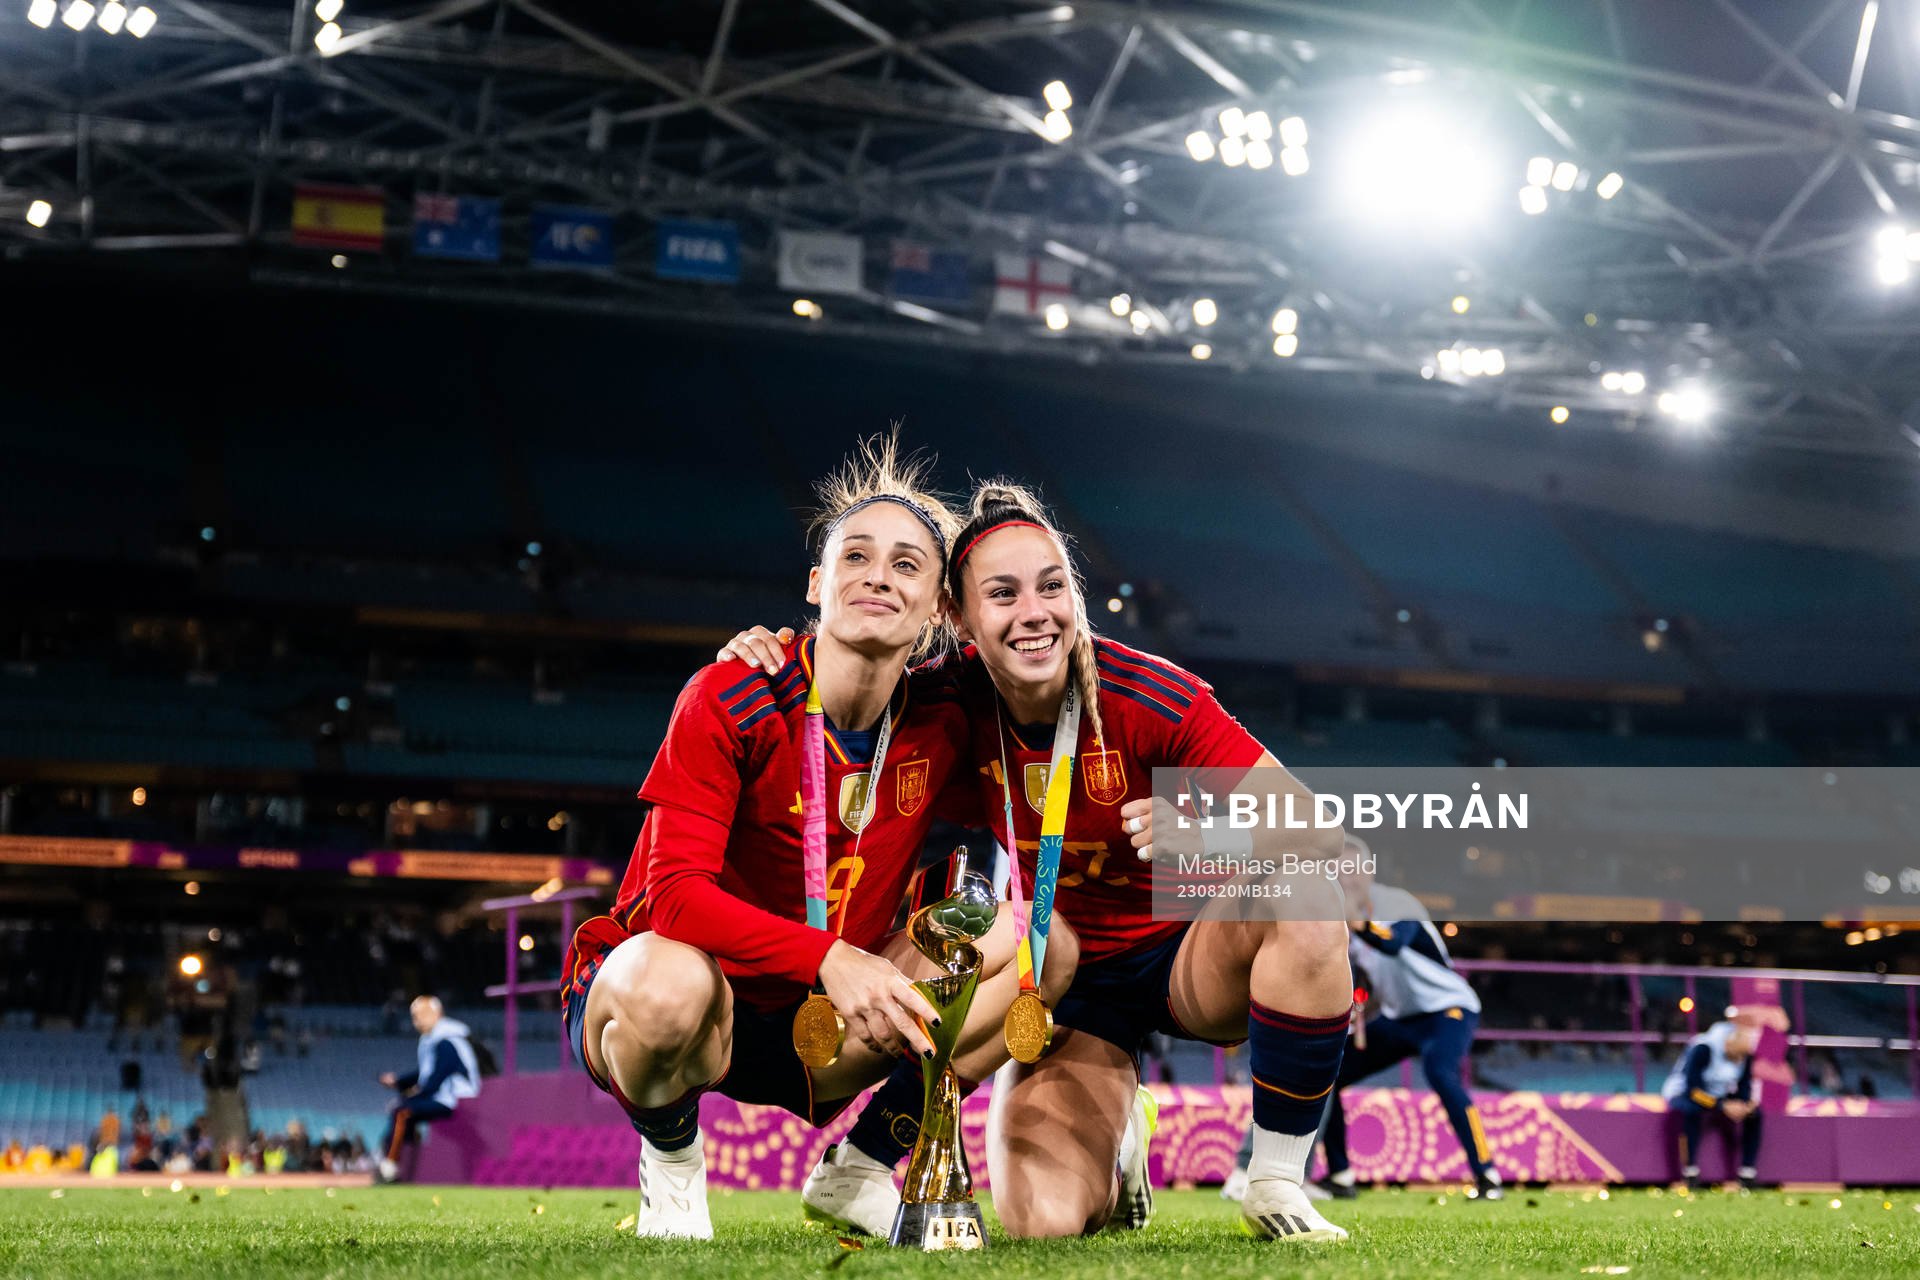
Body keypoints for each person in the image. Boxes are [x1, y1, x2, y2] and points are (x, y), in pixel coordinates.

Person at [720, 480, 1355, 1243]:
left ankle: (1277, 1180)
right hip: (1064, 990)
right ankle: (1122, 1134)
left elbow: (1328, 837)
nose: (1035, 614)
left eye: (1053, 586)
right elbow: (836, 681)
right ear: (958, 619)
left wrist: (1217, 839)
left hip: (1193, 959)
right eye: (1003, 593)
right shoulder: (941, 705)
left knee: (1307, 889)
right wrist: (765, 654)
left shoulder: (1152, 697)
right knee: (1043, 1226)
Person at [562, 440, 1075, 1242]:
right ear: (816, 584)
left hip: (830, 1022)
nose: (879, 575)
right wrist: (832, 957)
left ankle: (864, 1167)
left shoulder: (946, 716)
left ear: (939, 607)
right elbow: (675, 897)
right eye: (857, 556)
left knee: (1043, 943)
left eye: (908, 565)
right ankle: (671, 1160)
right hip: (699, 1003)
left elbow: (1066, 779)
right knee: (666, 985)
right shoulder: (732, 695)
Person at [1312, 844, 1502, 1200]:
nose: (1346, 878)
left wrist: (1359, 925)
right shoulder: (1343, 925)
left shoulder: (1397, 903)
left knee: (1440, 1072)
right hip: (1401, 1018)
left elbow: (1395, 944)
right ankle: (1340, 1176)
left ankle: (1487, 1175)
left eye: (1352, 869)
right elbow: (1368, 979)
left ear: (1369, 870)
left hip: (1448, 1010)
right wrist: (1358, 1004)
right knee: (1330, 1072)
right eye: (1338, 872)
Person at [375, 995, 480, 1182]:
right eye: (414, 1016)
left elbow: (437, 1078)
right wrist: (399, 1082)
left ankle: (391, 1166)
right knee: (403, 1111)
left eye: (422, 1014)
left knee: (402, 1111)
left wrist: (414, 1095)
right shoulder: (431, 1039)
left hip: (456, 1101)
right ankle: (401, 1166)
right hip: (443, 1098)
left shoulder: (447, 1040)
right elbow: (425, 1073)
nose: (417, 1020)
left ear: (438, 1014)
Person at [1661, 1017, 1762, 1189]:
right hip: (1684, 1093)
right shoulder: (1704, 1048)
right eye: (1737, 1054)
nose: (1739, 1060)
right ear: (1729, 1043)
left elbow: (1744, 1085)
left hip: (1718, 1095)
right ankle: (1691, 1171)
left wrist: (1744, 1104)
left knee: (1756, 1115)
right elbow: (1692, 1090)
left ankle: (1747, 1172)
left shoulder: (1744, 1054)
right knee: (1691, 1111)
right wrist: (1722, 1106)